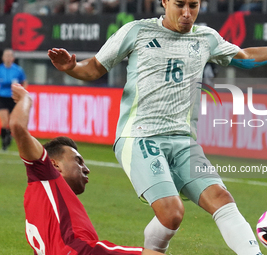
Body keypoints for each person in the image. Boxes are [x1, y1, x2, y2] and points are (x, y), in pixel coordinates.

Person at [47, 0, 267, 254]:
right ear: (165, 2)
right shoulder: (136, 31)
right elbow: (95, 67)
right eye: (180, 5)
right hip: (140, 136)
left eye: (194, 6)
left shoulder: (206, 38)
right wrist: (71, 67)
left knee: (222, 198)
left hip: (183, 140)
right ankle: (152, 249)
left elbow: (246, 56)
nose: (187, 13)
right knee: (172, 213)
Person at [9, 83, 166, 255]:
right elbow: (18, 127)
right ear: (54, 165)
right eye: (78, 161)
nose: (86, 169)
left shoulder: (40, 198)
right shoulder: (44, 175)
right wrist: (26, 98)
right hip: (81, 250)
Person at [0, 48, 27, 151]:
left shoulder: (18, 70)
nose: (7, 58)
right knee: (4, 121)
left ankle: (9, 136)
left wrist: (22, 92)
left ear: (13, 58)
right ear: (2, 57)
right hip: (2, 97)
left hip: (13, 97)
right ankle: (4, 142)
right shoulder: (0, 69)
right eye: (6, 55)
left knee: (12, 121)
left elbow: (24, 82)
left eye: (9, 56)